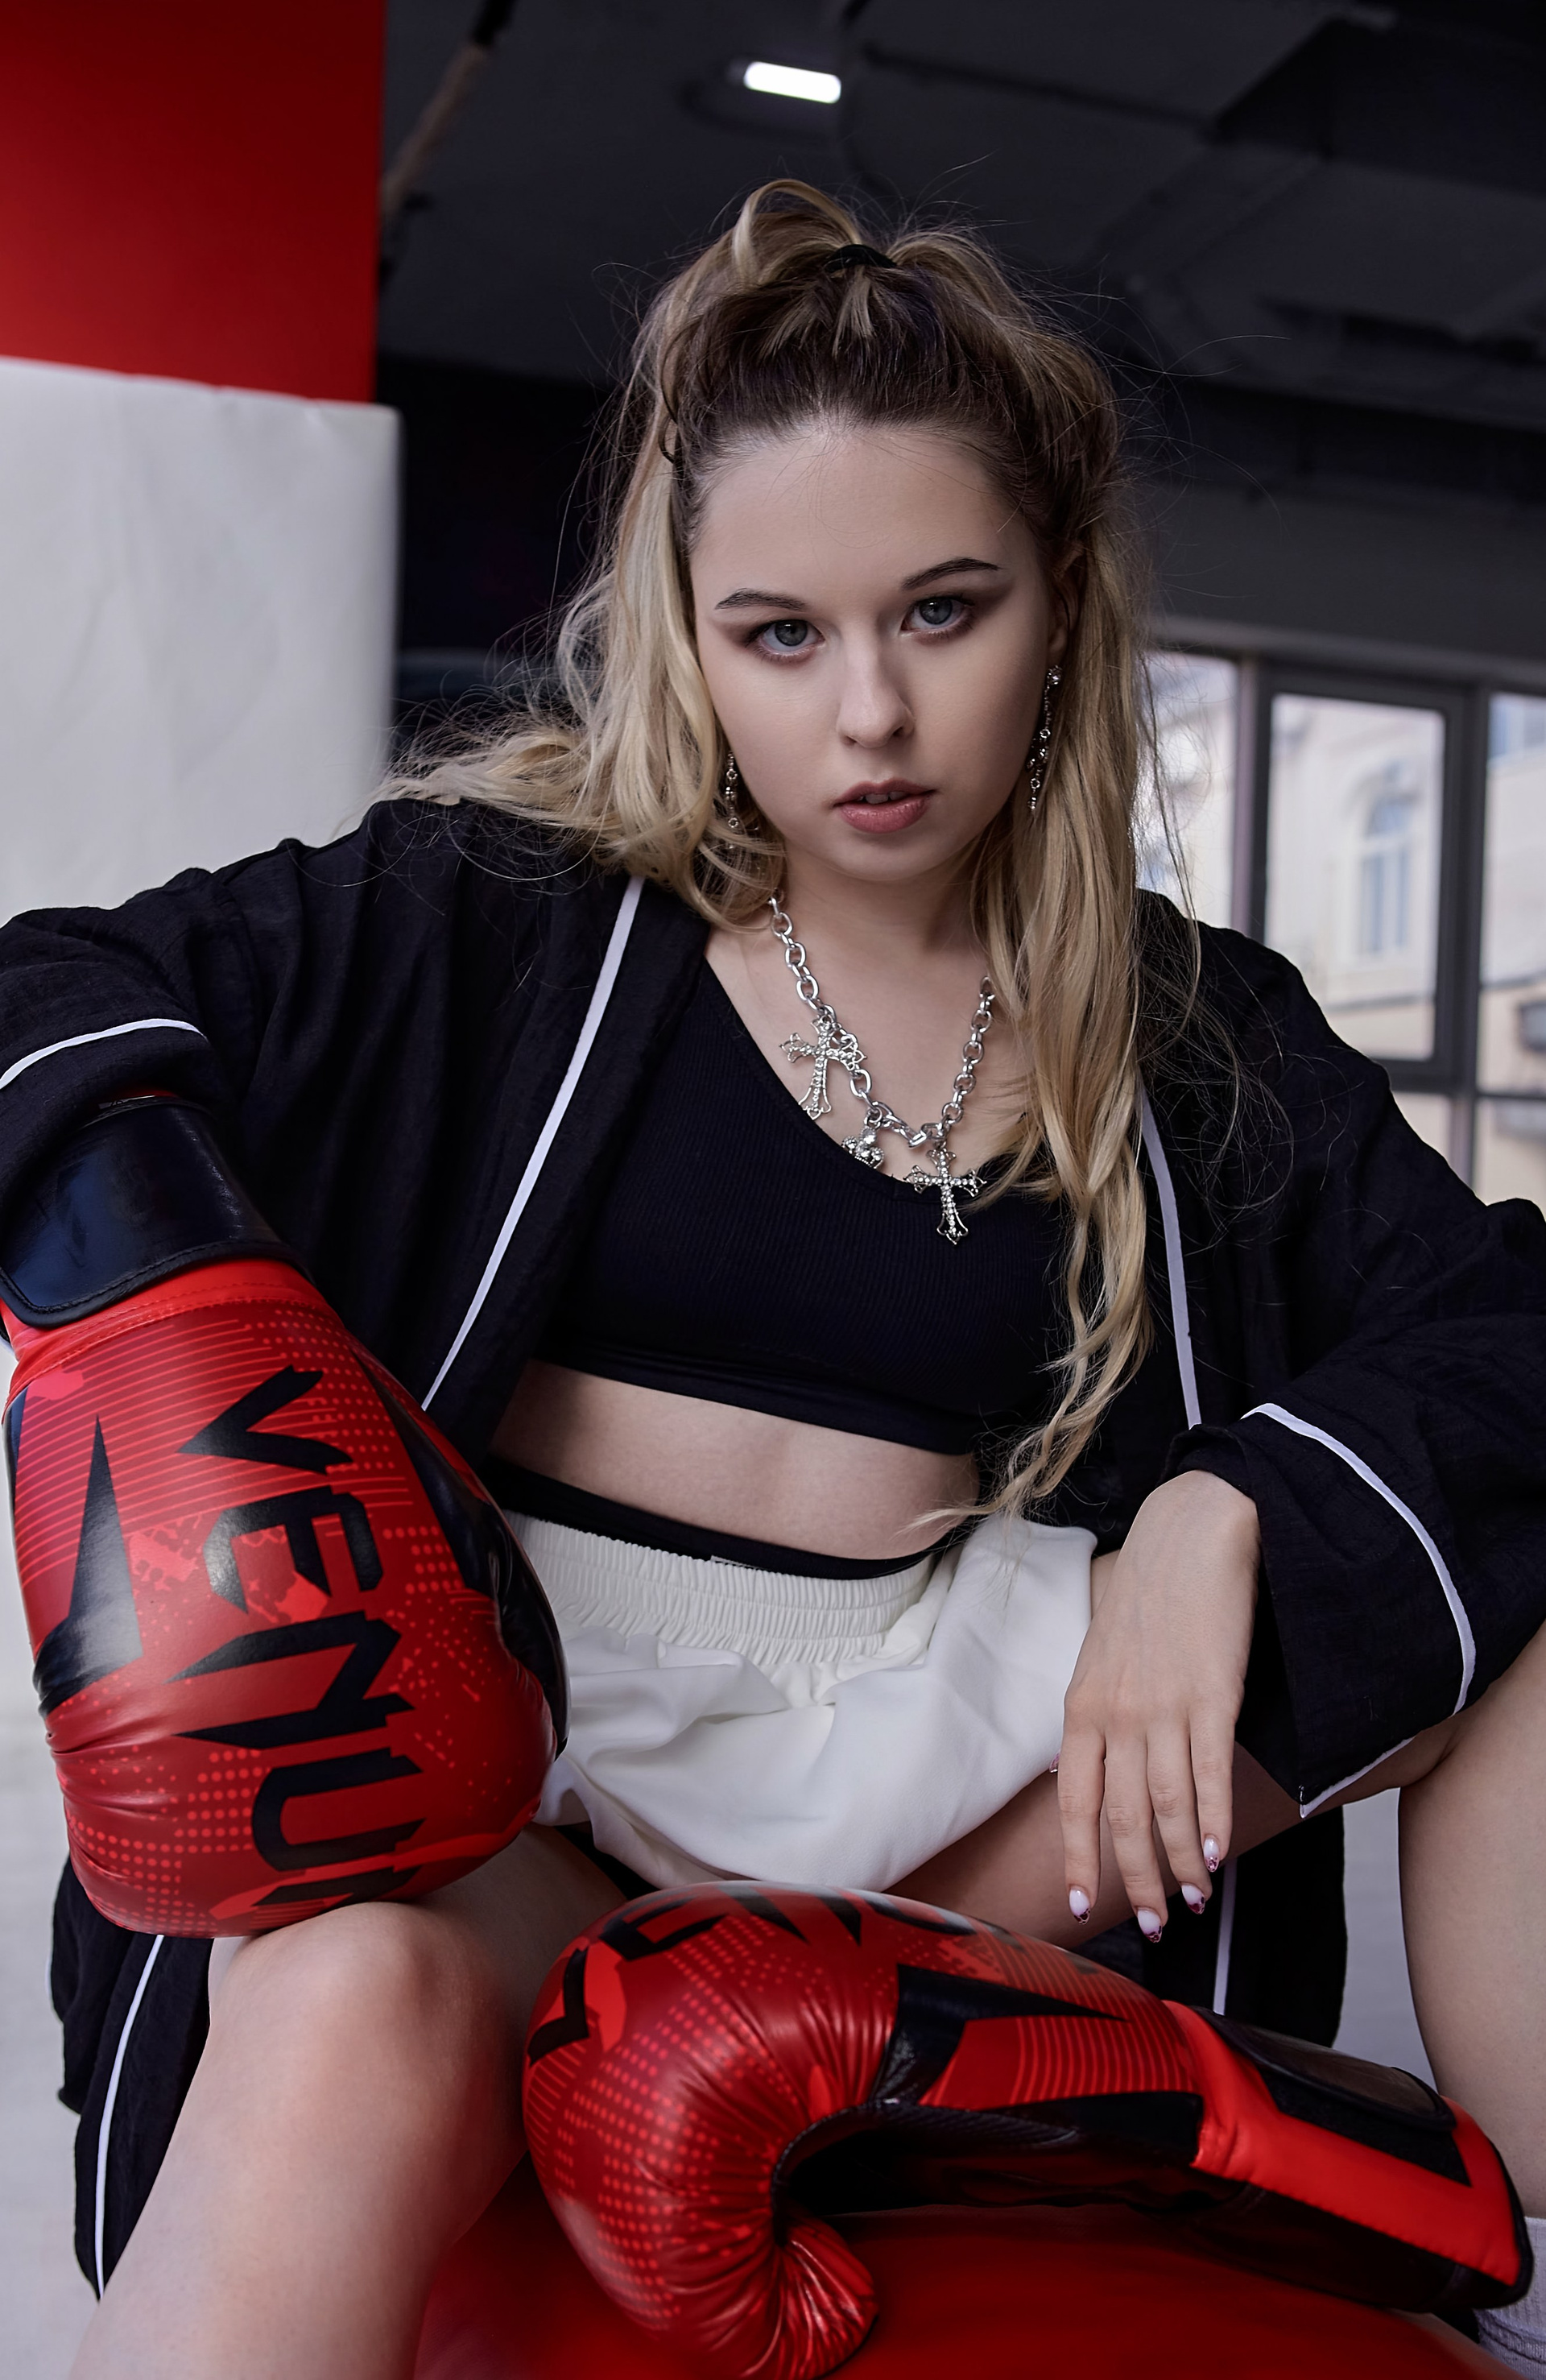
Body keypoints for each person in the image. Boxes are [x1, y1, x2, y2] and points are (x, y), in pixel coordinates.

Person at [2, 180, 1544, 2380]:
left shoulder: (1194, 1035)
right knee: (345, 1990)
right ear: (689, 634)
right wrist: (164, 1306)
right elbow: (46, 994)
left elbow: (1505, 1325)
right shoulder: (494, 915)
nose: (872, 715)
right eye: (781, 635)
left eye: (944, 611)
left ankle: (1512, 2223)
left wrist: (1233, 1505)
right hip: (535, 1782)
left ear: (1063, 599)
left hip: (948, 1825)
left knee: (1500, 1555)